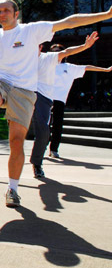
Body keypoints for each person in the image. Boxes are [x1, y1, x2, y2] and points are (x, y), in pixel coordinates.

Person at [0, 0, 112, 208]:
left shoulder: (32, 31)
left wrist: (106, 15)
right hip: (3, 83)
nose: (2, 14)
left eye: (6, 10)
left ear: (17, 14)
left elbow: (69, 21)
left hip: (25, 92)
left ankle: (12, 189)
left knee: (16, 142)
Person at [29, 33, 98, 178]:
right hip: (28, 96)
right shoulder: (24, 60)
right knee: (21, 129)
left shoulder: (49, 58)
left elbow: (67, 52)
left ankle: (37, 163)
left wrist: (85, 46)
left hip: (46, 98)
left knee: (44, 132)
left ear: (41, 47)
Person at [48, 43, 112, 158]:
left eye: (57, 51)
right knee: (43, 126)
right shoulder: (46, 65)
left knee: (57, 125)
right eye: (53, 51)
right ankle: (40, 148)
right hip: (45, 98)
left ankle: (53, 149)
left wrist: (105, 70)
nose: (55, 53)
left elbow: (87, 67)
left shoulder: (69, 67)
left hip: (60, 100)